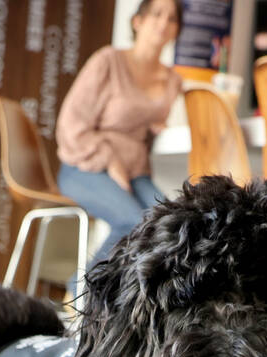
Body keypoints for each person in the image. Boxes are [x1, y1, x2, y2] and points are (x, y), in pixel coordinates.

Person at [55, 0, 183, 280]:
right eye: (156, 14)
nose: (163, 23)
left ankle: (131, 307)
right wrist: (110, 160)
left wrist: (152, 127)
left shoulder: (173, 81)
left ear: (176, 29)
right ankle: (84, 291)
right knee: (131, 221)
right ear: (137, 21)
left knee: (170, 226)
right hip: (85, 165)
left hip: (135, 172)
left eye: (172, 18)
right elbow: (70, 125)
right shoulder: (108, 61)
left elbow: (137, 126)